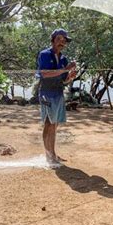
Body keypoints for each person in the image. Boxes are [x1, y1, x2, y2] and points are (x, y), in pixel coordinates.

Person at [36, 29, 77, 164]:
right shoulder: (45, 54)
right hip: (46, 93)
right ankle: (49, 156)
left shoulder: (64, 59)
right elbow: (45, 74)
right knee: (49, 124)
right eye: (59, 39)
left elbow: (64, 80)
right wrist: (66, 69)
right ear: (53, 39)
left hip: (58, 93)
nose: (62, 42)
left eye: (64, 40)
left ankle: (52, 153)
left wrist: (70, 77)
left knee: (55, 124)